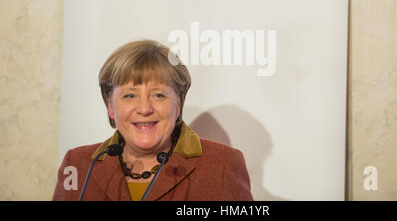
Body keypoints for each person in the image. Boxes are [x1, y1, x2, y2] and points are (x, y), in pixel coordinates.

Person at [52, 39, 253, 201]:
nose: (145, 109)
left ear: (178, 106)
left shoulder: (222, 165)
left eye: (158, 95)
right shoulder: (78, 164)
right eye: (130, 95)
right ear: (111, 107)